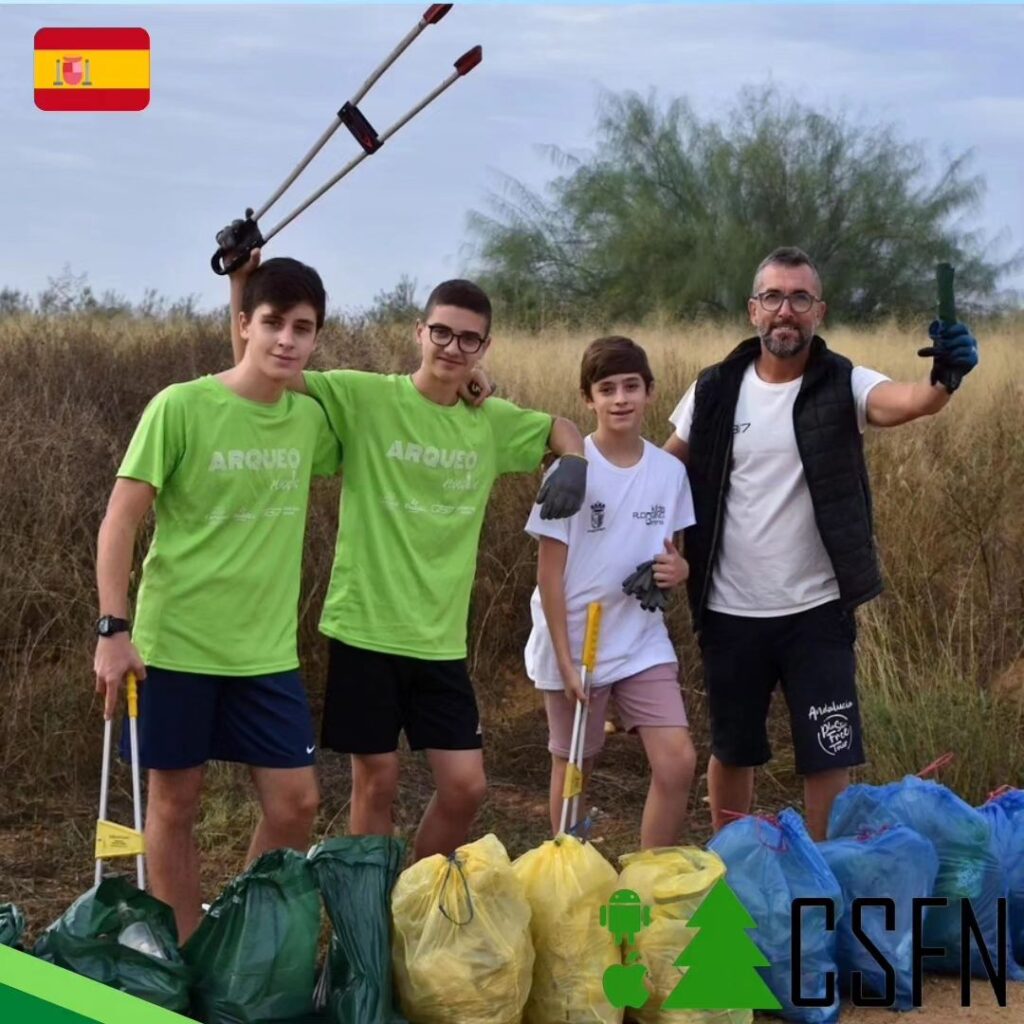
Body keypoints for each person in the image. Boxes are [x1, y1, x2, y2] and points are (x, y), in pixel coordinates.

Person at [229, 254, 588, 860]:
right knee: (379, 780)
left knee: (465, 787)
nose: (452, 347)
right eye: (441, 332)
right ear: (419, 332)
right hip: (365, 626)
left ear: (484, 347)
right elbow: (268, 369)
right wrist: (242, 285)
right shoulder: (366, 397)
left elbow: (560, 425)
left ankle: (409, 904)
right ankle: (365, 924)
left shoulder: (490, 421)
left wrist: (575, 458)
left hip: (440, 640)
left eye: (468, 338)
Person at [664, 246, 979, 841]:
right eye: (775, 298)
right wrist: (591, 466)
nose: (787, 311)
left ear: (820, 311)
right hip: (730, 610)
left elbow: (907, 403)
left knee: (826, 754)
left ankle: (824, 886)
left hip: (818, 612)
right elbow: (660, 473)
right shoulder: (713, 389)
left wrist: (944, 379)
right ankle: (740, 869)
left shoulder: (844, 382)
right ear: (753, 310)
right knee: (733, 750)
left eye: (801, 299)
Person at [93, 257, 341, 941]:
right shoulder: (180, 406)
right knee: (174, 804)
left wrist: (471, 380)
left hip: (263, 654)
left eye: (303, 328)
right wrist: (112, 629)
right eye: (272, 323)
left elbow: (404, 409)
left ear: (317, 337)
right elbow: (121, 520)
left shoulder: (309, 423)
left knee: (297, 803)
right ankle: (183, 950)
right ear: (243, 324)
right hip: (175, 644)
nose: (287, 340)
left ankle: (232, 930)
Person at [525, 336, 697, 848]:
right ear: (588, 398)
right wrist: (565, 658)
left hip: (641, 640)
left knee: (677, 761)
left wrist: (678, 570)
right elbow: (548, 575)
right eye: (607, 389)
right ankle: (568, 871)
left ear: (649, 392)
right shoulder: (571, 469)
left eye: (630, 387)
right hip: (576, 642)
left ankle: (653, 871)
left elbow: (676, 554)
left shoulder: (670, 473)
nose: (620, 399)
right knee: (577, 764)